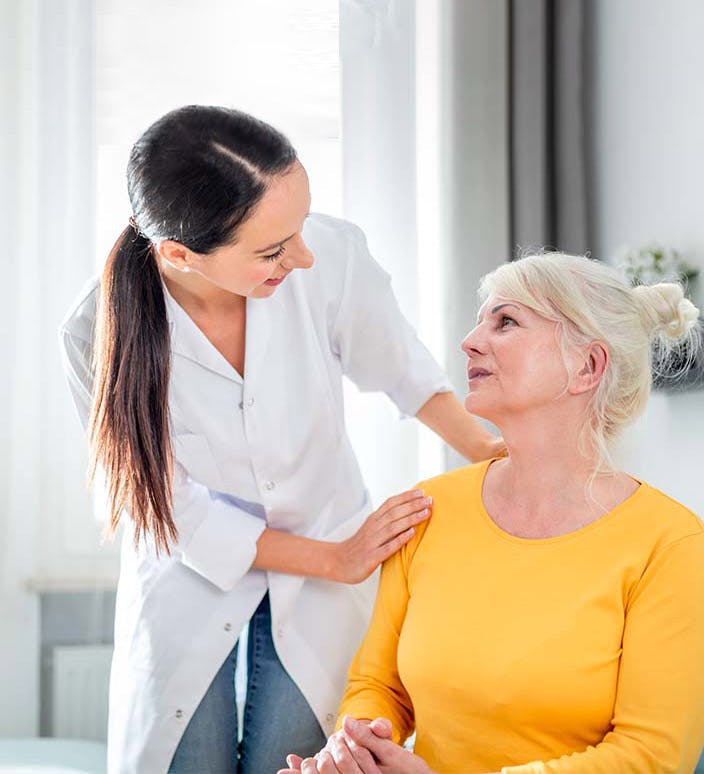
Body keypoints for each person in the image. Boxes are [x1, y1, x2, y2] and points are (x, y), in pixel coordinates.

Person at [59, 105, 502, 774]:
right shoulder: (96, 332)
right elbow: (171, 510)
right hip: (195, 578)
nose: (302, 255)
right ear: (177, 254)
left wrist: (489, 452)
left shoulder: (325, 259)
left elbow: (404, 370)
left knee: (291, 760)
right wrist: (338, 558)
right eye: (271, 250)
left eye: (298, 227)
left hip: (324, 564)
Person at [281, 252, 704, 773]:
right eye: (482, 320)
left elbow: (653, 758)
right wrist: (357, 750)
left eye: (506, 321)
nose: (470, 340)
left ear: (587, 367)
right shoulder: (430, 509)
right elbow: (379, 686)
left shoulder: (670, 544)